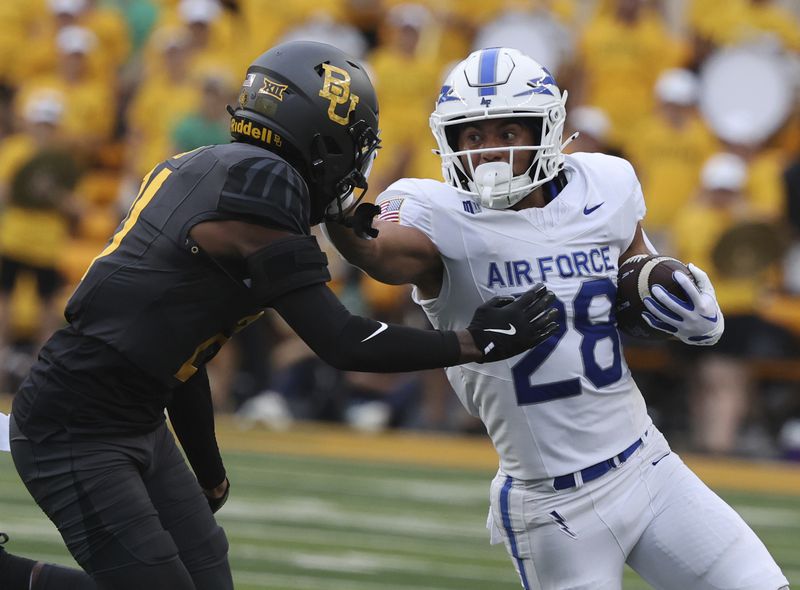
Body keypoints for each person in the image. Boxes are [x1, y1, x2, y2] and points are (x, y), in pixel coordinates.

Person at [1, 41, 560, 590]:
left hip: (131, 411)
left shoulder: (208, 166)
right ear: (319, 138)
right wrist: (474, 341)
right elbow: (344, 342)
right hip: (75, 425)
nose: (355, 161)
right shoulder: (263, 187)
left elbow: (182, 355)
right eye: (353, 143)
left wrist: (208, 467)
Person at [323, 47, 789, 590]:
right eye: (473, 136)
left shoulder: (606, 184)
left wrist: (678, 301)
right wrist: (334, 196)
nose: (489, 151)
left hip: (648, 463)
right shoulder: (439, 213)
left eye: (506, 133)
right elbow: (377, 250)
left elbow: (634, 267)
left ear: (546, 128)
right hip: (555, 505)